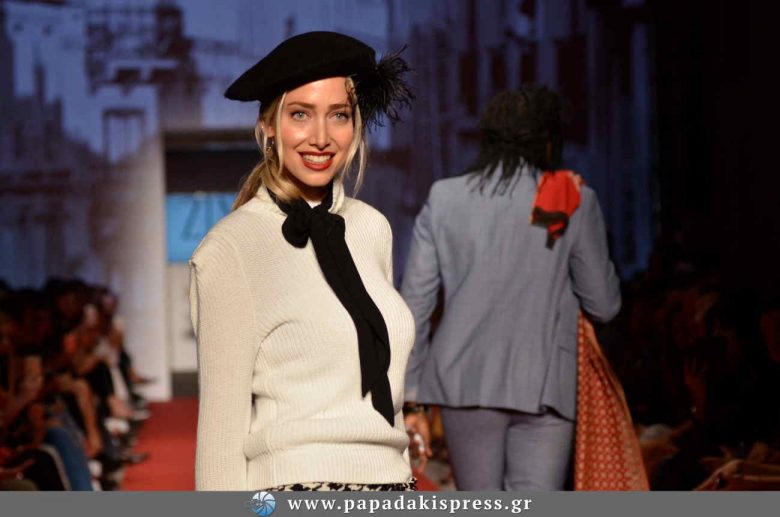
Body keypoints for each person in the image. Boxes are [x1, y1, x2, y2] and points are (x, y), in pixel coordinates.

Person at [189, 31, 416, 491]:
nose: (321, 137)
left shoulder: (372, 228)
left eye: (339, 115)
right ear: (268, 125)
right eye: (300, 114)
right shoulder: (231, 248)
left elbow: (384, 388)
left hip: (392, 485)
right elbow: (220, 430)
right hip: (294, 486)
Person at [401, 85, 621, 490]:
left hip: (464, 381)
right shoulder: (573, 198)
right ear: (549, 138)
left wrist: (411, 395)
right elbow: (604, 304)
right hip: (546, 383)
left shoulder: (445, 198)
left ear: (486, 137)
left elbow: (415, 304)